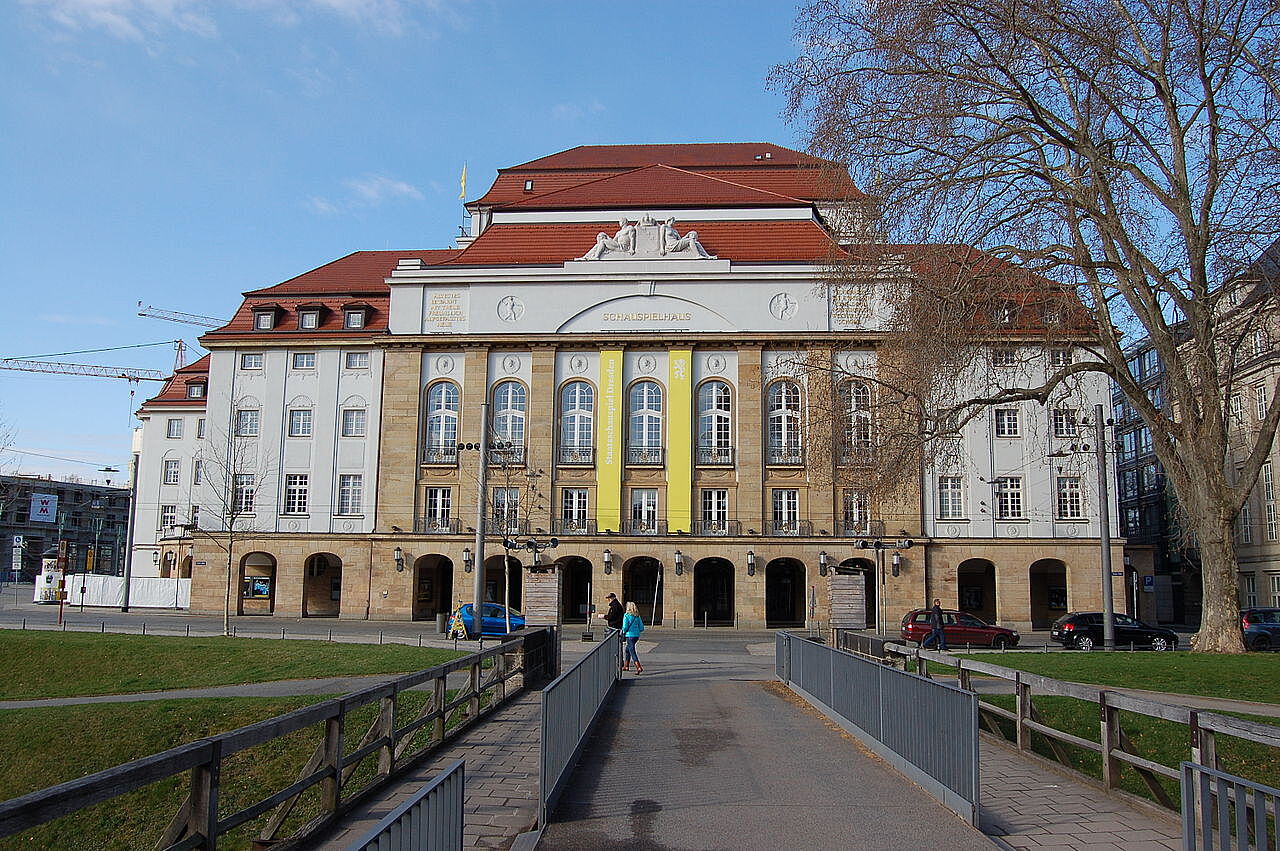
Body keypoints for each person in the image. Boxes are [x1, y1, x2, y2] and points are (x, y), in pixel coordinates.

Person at [621, 600, 645, 673]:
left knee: (632, 651)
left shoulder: (626, 615)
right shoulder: (637, 616)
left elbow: (625, 627)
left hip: (629, 635)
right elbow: (641, 628)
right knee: (627, 650)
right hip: (636, 636)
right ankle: (626, 666)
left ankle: (638, 667)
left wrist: (623, 632)